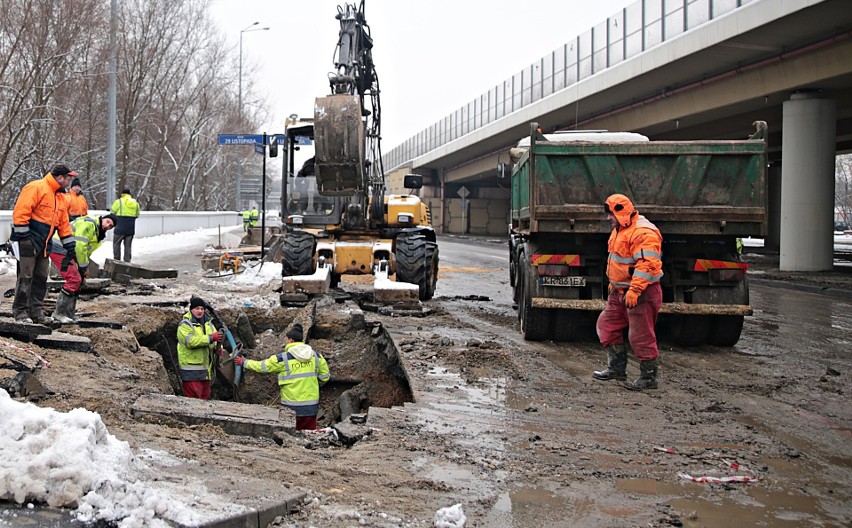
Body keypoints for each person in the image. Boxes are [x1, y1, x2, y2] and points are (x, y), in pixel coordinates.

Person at [593, 194, 664, 391]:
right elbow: (618, 261)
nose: (608, 218)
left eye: (610, 214)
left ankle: (649, 378)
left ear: (620, 212)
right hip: (620, 291)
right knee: (607, 326)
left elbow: (648, 264)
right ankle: (616, 368)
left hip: (641, 292)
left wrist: (634, 290)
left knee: (641, 336)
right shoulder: (621, 229)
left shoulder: (643, 232)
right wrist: (614, 285)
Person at [10, 164, 78, 324]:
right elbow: (21, 211)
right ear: (59, 177)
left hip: (45, 243)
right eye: (68, 178)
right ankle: (20, 312)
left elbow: (63, 224)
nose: (69, 182)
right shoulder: (37, 187)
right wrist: (23, 237)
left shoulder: (60, 197)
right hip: (29, 239)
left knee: (41, 277)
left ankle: (36, 312)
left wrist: (70, 246)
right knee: (26, 276)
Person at [236, 323, 330, 430]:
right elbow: (325, 377)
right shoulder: (317, 357)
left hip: (291, 409)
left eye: (286, 339)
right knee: (309, 437)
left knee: (291, 436)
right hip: (311, 408)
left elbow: (262, 367)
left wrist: (244, 362)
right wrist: (313, 385)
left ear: (291, 340)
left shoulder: (282, 359)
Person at [49, 213, 117, 323]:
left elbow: (85, 252)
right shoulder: (89, 225)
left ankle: (69, 313)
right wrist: (83, 267)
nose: (107, 226)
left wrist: (82, 270)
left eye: (111, 226)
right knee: (73, 280)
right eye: (108, 222)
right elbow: (80, 247)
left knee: (78, 281)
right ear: (103, 218)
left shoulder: (97, 233)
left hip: (68, 250)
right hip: (60, 248)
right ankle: (59, 313)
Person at [176, 296, 223, 400]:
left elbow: (216, 339)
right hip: (191, 371)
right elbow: (191, 341)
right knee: (194, 400)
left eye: (202, 309)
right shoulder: (185, 325)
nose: (200, 311)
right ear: (191, 310)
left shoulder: (208, 324)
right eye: (197, 308)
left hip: (206, 371)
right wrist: (211, 338)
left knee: (204, 399)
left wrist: (219, 348)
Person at [110, 188, 140, 262]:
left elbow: (112, 212)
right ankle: (127, 262)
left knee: (116, 244)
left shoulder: (118, 201)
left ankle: (117, 261)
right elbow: (137, 214)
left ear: (122, 194)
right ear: (130, 194)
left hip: (119, 227)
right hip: (130, 228)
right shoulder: (135, 203)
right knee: (128, 246)